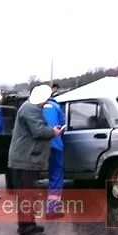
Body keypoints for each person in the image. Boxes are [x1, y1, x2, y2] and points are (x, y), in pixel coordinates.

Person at [8, 84, 62, 235]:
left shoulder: (31, 108)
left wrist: (50, 129)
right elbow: (38, 131)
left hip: (28, 158)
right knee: (26, 195)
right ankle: (26, 230)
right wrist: (54, 132)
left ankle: (29, 223)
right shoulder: (31, 109)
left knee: (29, 194)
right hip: (25, 159)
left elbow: (39, 127)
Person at [42, 89, 65, 218]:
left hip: (39, 148)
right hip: (55, 146)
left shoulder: (36, 108)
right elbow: (62, 127)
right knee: (56, 175)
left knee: (30, 178)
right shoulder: (56, 106)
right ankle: (52, 208)